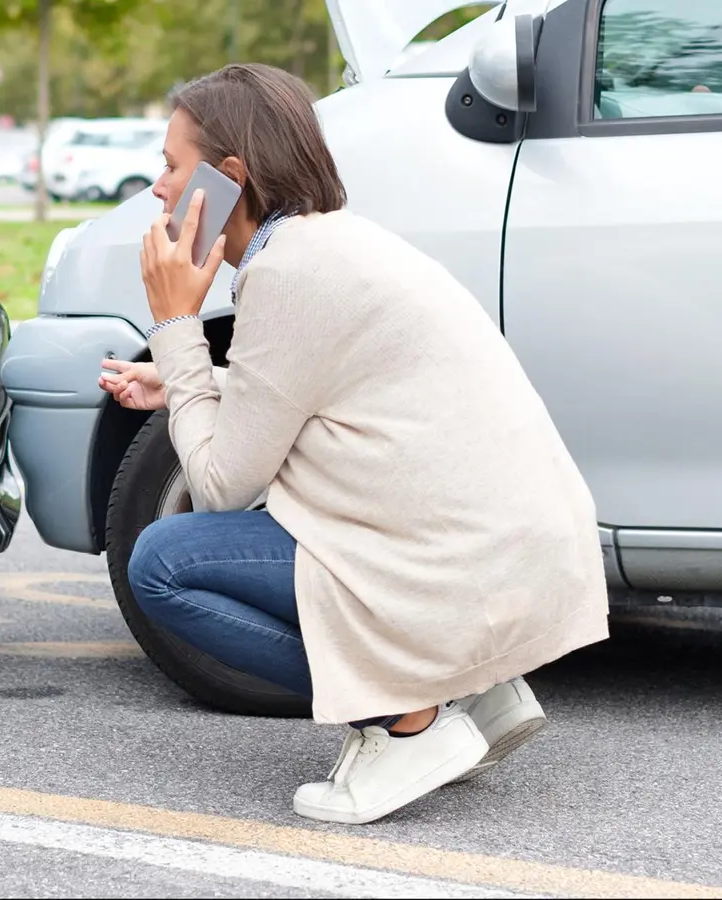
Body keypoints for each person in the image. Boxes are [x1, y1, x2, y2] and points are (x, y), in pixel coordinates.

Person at [98, 64, 609, 825]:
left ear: (228, 177)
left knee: (163, 563)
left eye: (171, 166)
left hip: (456, 564)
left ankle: (407, 720)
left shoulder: (288, 273)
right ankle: (474, 688)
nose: (157, 189)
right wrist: (180, 384)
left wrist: (175, 326)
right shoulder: (327, 246)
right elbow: (313, 396)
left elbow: (219, 482)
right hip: (504, 551)